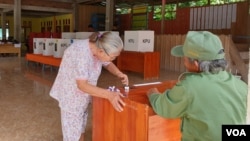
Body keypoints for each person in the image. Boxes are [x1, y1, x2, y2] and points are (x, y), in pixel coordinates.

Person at [147, 31, 247, 141]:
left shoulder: (189, 86)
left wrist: (153, 94)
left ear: (195, 65)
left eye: (184, 59)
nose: (184, 62)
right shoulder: (242, 86)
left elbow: (164, 108)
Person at [50, 31, 129, 141]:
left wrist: (119, 73)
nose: (113, 60)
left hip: (84, 96)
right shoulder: (81, 53)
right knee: (72, 136)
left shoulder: (99, 46)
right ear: (101, 51)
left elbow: (107, 63)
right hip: (71, 97)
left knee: (80, 129)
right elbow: (82, 85)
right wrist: (109, 95)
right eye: (112, 57)